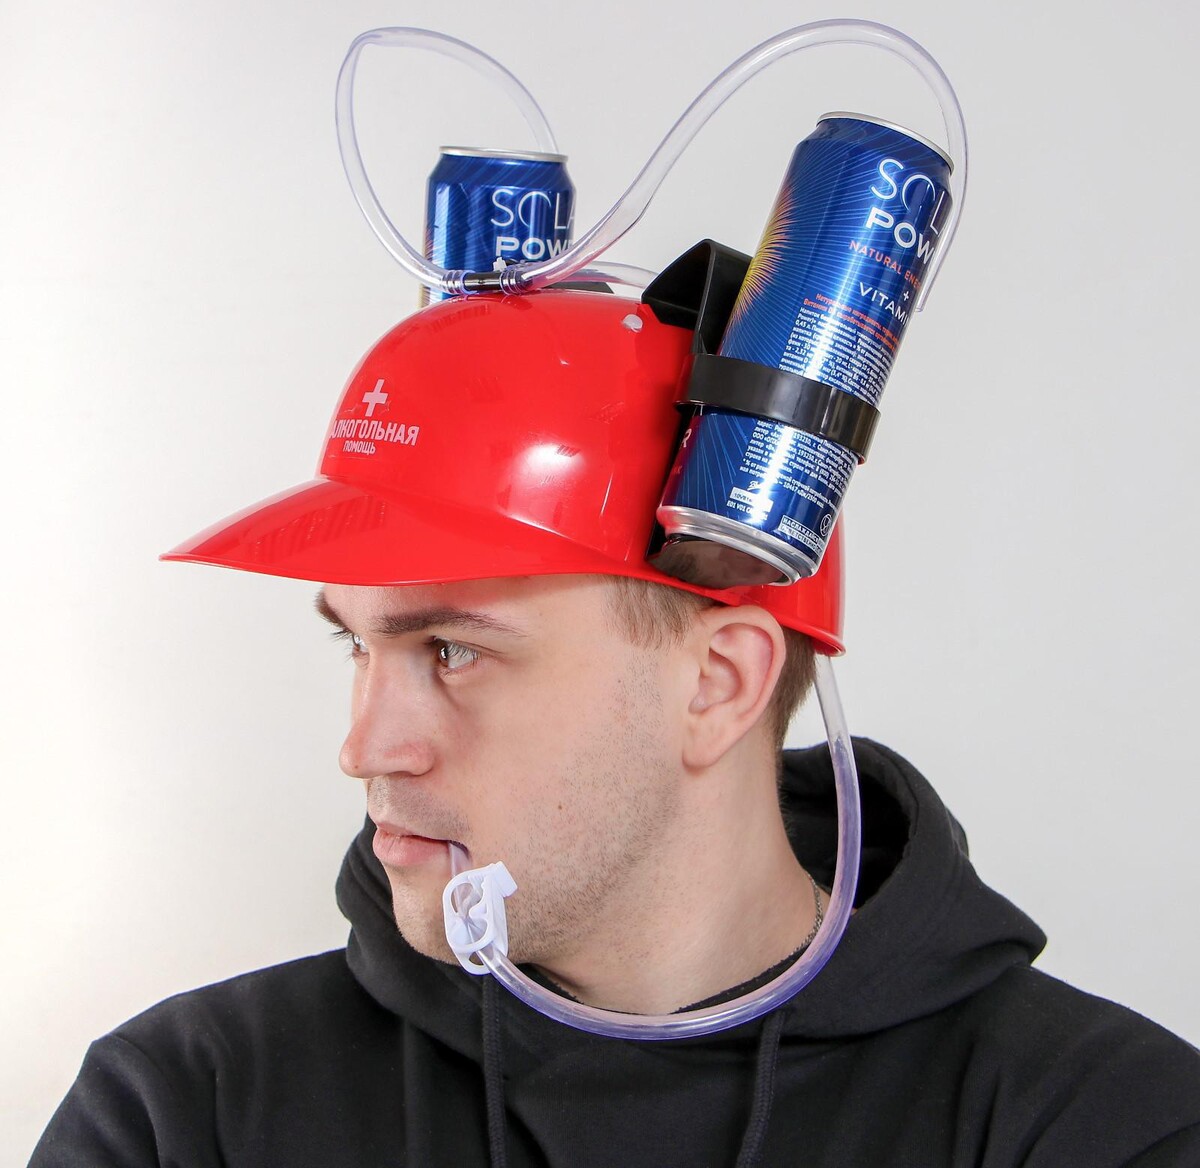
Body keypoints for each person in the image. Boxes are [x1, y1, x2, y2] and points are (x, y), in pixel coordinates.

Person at [31, 286, 1200, 1166]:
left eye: (452, 650)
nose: (367, 747)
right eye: (357, 644)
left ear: (717, 684)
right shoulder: (191, 1112)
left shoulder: (1097, 1128)